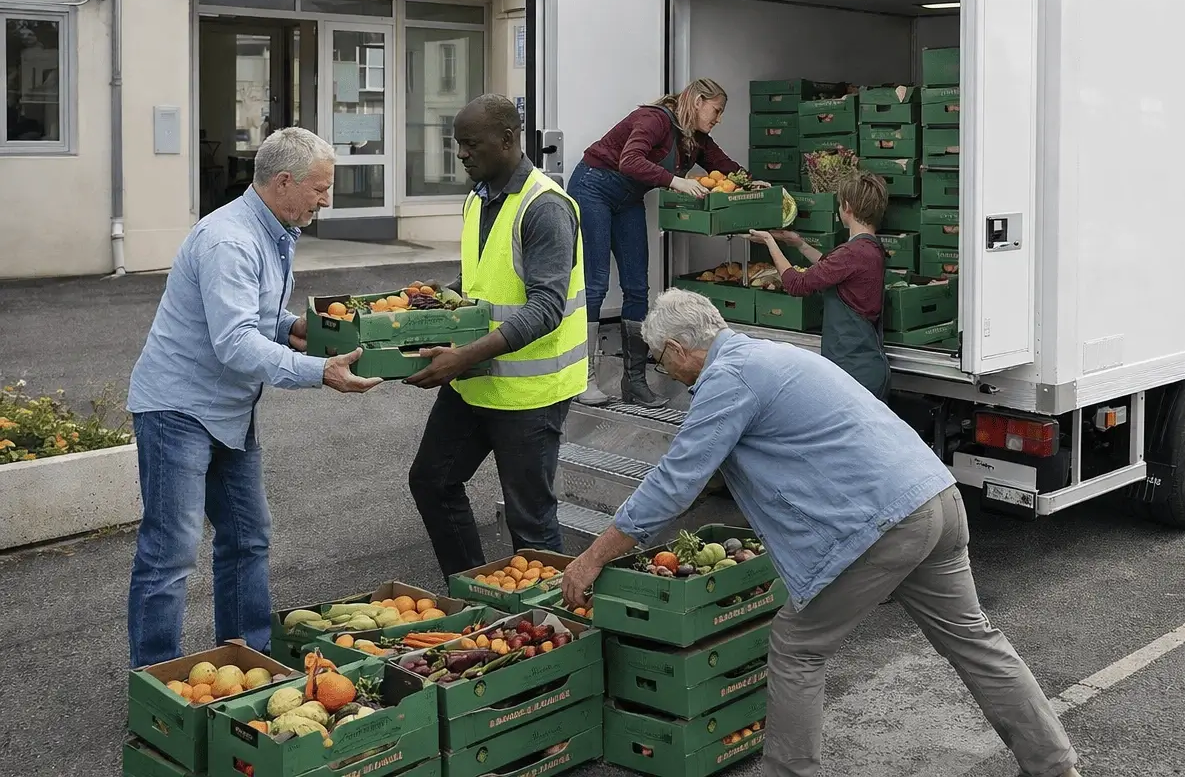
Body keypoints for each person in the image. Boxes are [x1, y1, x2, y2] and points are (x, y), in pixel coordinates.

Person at [560, 290, 1082, 777]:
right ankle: (1055, 765)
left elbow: (673, 484)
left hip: (885, 526)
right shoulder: (769, 356)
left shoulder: (729, 379)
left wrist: (593, 557)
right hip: (934, 499)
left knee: (796, 646)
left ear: (678, 348)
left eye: (660, 360)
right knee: (975, 642)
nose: (664, 371)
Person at [126, 127, 381, 667]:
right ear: (284, 181)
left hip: (228, 411)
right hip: (177, 410)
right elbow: (236, 343)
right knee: (170, 553)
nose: (326, 200)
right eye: (319, 188)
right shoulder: (230, 240)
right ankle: (154, 681)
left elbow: (259, 319)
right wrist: (321, 371)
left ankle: (248, 660)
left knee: (247, 538)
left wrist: (303, 329)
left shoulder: (274, 231)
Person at [404, 94, 587, 576]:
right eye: (456, 143)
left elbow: (547, 307)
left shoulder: (544, 208)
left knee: (531, 522)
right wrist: (432, 301)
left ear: (507, 140)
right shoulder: (478, 197)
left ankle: (555, 629)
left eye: (470, 144)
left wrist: (462, 357)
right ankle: (471, 590)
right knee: (432, 481)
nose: (461, 153)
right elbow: (484, 280)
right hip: (478, 379)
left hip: (529, 392)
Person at [567, 78, 747, 408]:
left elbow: (725, 168)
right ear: (697, 101)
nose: (718, 118)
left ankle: (634, 382)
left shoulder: (696, 139)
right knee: (594, 286)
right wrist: (676, 181)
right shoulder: (656, 119)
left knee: (638, 287)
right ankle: (583, 378)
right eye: (716, 110)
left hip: (628, 198)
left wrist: (751, 183)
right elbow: (629, 160)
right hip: (593, 187)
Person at [749, 170, 892, 400]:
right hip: (868, 367)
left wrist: (769, 241)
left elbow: (797, 284)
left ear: (846, 207)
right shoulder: (870, 248)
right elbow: (832, 267)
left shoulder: (851, 253)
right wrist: (798, 244)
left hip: (852, 373)